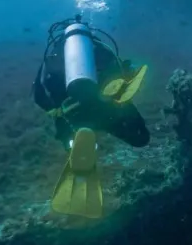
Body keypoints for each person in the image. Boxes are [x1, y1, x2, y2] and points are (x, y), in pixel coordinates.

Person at [32, 15, 150, 217]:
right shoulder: (100, 48)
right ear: (89, 32)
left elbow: (39, 94)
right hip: (107, 110)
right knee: (141, 138)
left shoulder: (53, 54)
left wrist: (58, 110)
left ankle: (75, 142)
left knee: (72, 136)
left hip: (72, 114)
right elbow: (119, 73)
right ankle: (92, 129)